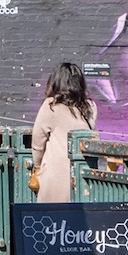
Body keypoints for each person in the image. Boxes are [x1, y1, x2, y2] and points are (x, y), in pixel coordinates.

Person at [31, 62, 98, 202]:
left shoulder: (51, 106)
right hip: (84, 173)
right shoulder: (90, 106)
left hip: (55, 173)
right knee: (79, 218)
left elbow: (38, 141)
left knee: (52, 218)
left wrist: (37, 166)